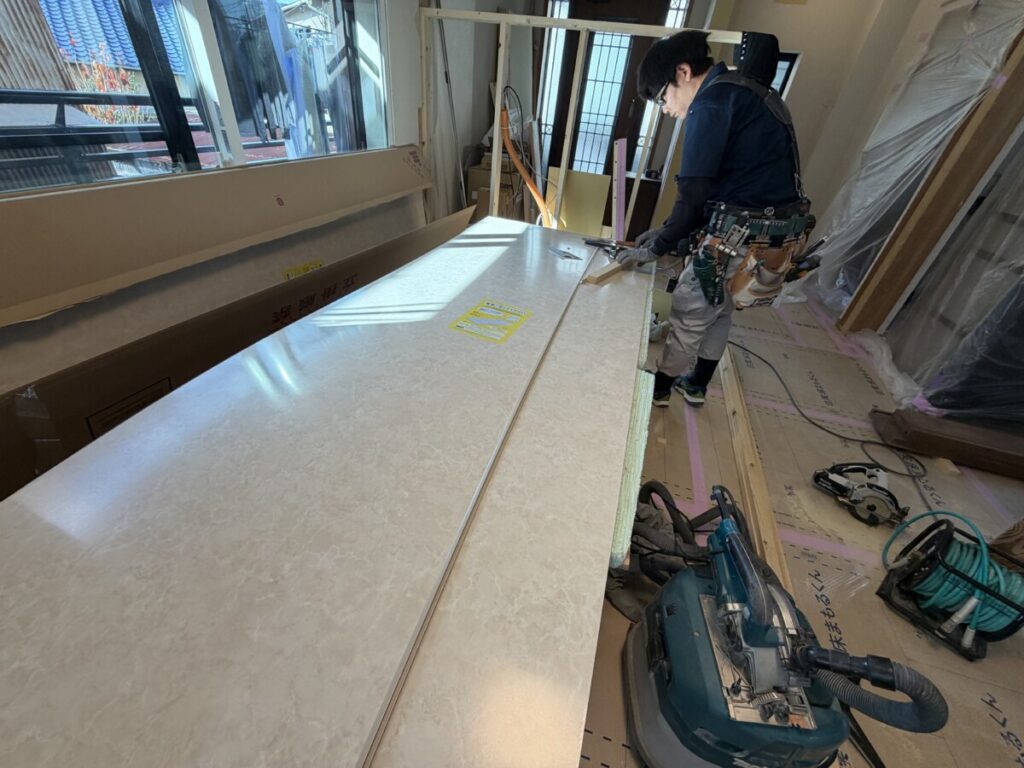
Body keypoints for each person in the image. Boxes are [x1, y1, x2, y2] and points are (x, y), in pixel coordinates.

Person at [616, 30, 811, 407]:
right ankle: (697, 384)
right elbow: (714, 192)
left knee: (690, 309)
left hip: (738, 236)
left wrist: (656, 247)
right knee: (719, 307)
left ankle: (660, 389)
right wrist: (667, 231)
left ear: (683, 72)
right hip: (773, 237)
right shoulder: (749, 91)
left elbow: (693, 196)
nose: (666, 109)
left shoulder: (711, 104)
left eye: (663, 97)